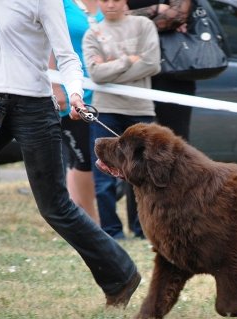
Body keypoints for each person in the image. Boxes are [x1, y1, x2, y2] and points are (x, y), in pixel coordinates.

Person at [0, 0, 141, 309]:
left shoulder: (45, 1)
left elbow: (67, 57)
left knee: (55, 207)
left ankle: (121, 275)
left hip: (33, 108)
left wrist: (74, 93)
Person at [83, 0, 161, 240]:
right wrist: (128, 60)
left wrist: (111, 70)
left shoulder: (143, 25)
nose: (110, 4)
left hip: (140, 109)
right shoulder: (92, 33)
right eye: (104, 0)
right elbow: (95, 73)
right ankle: (111, 230)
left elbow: (152, 64)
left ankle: (143, 229)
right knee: (104, 173)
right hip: (106, 109)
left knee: (144, 172)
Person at [50, 0, 104, 224]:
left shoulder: (108, 4)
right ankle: (92, 220)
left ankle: (77, 216)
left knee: (83, 159)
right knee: (83, 158)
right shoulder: (61, 4)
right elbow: (49, 44)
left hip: (103, 92)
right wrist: (54, 86)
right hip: (72, 92)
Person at [128, 0, 194, 140]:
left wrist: (132, 27)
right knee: (130, 141)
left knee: (174, 141)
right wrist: (155, 9)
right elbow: (110, 14)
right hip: (129, 70)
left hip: (172, 71)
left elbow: (178, 15)